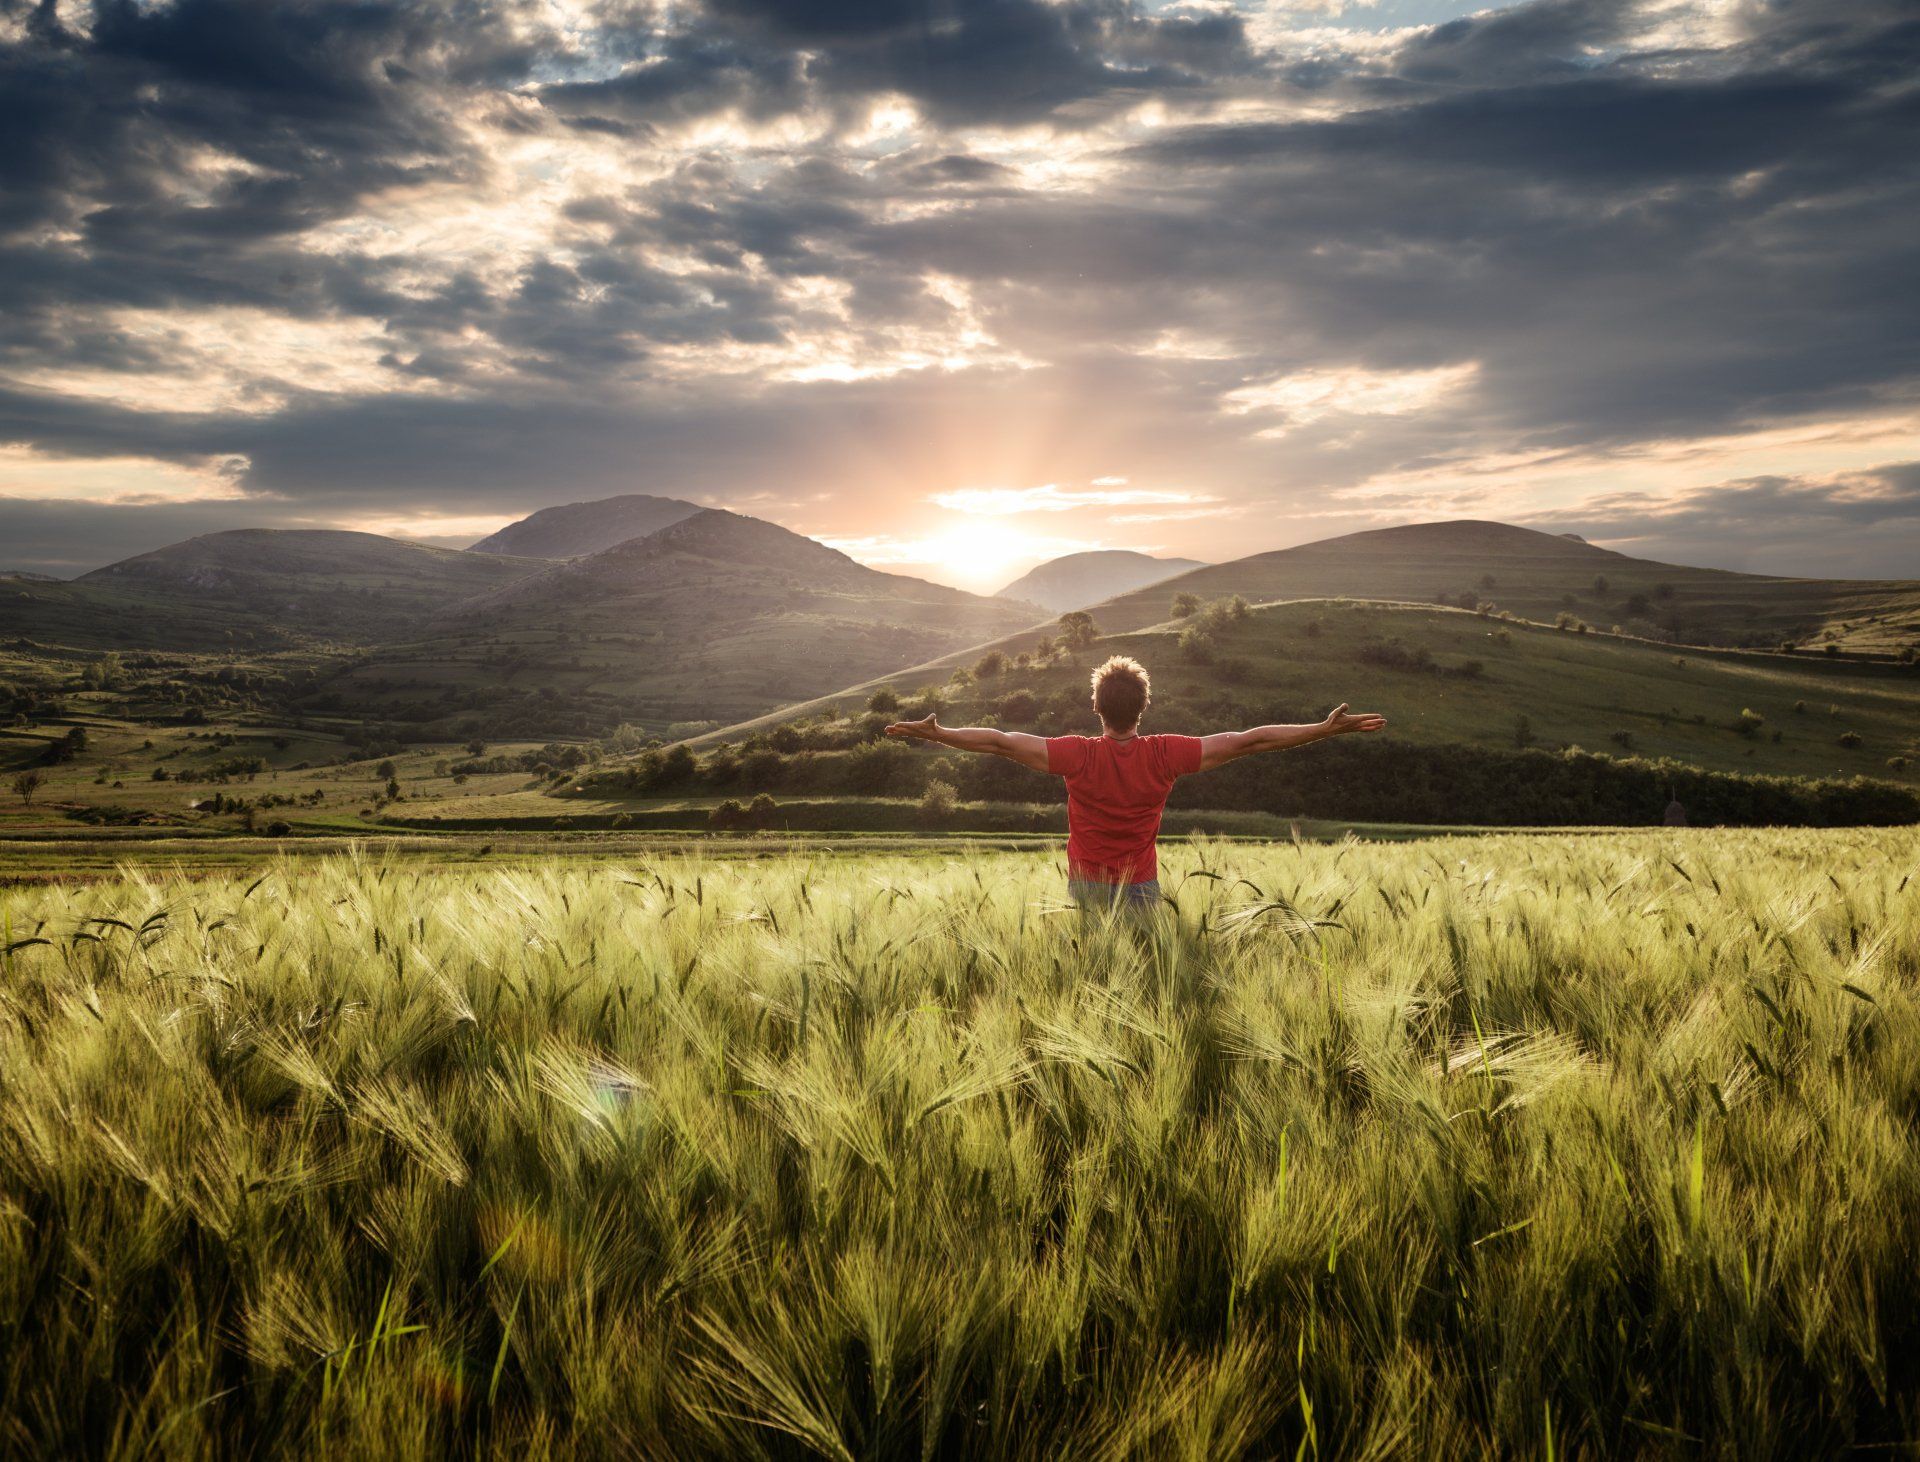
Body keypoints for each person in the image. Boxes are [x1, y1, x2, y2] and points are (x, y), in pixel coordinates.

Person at [886, 655, 1386, 911]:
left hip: (1085, 884)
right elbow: (1249, 741)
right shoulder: (1166, 754)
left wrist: (941, 734)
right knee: (1148, 985)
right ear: (1143, 707)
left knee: (1096, 979)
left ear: (1096, 708)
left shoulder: (1076, 755)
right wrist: (1322, 729)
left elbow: (999, 740)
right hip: (1141, 886)